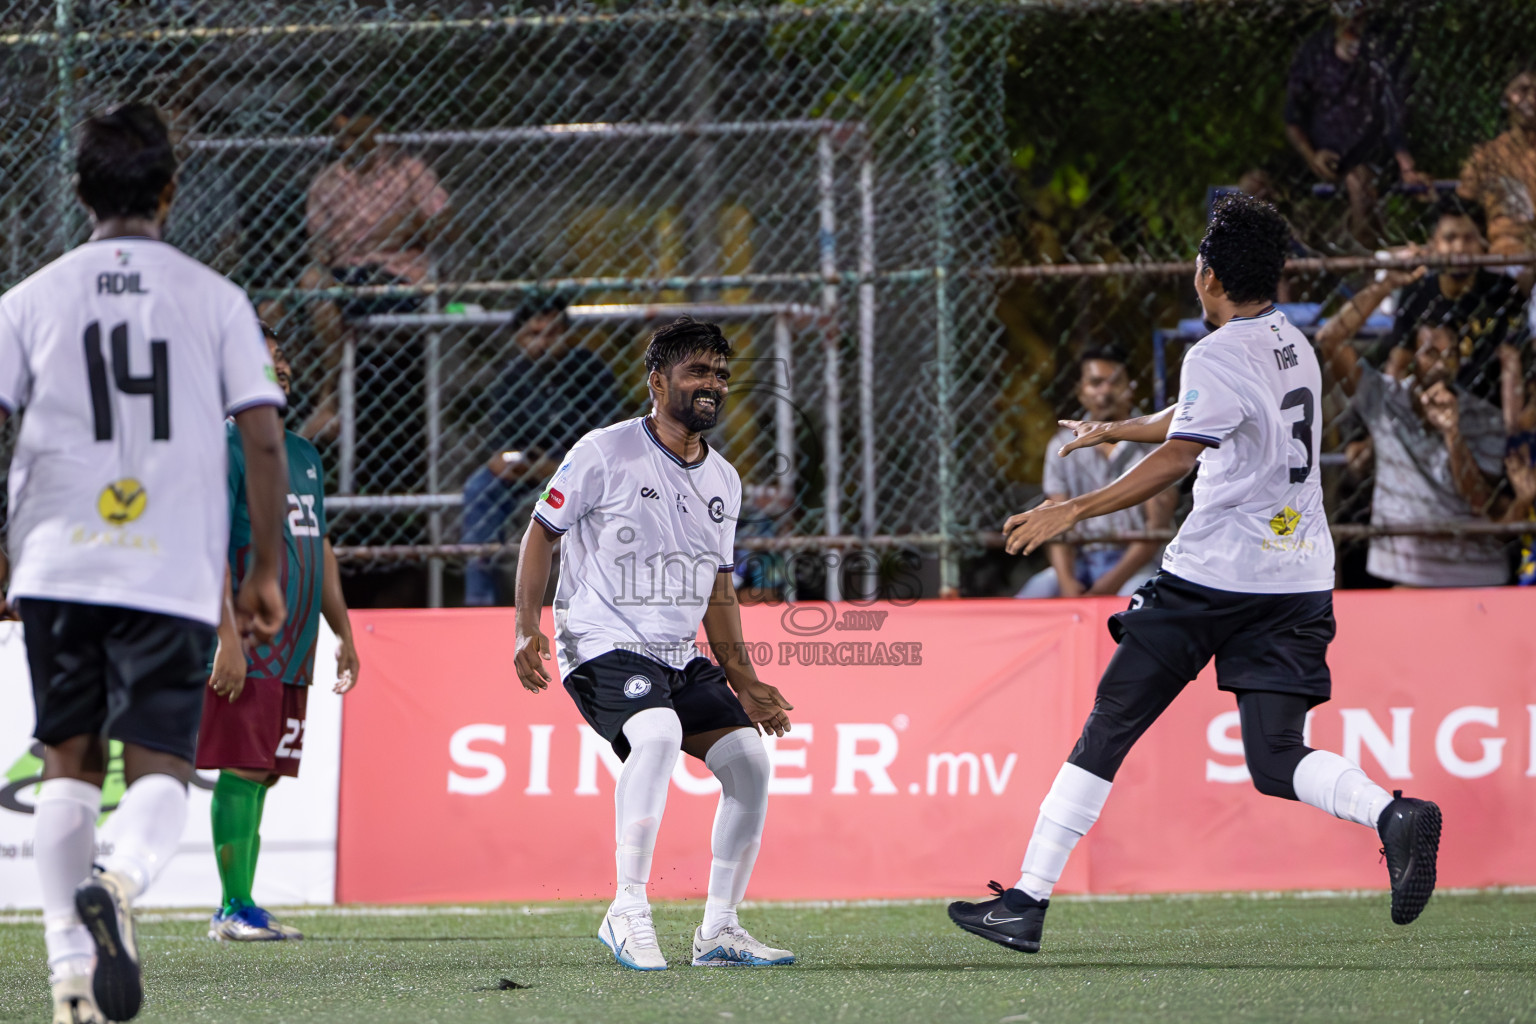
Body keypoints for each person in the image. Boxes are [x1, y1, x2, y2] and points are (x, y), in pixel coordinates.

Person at [948, 195, 1441, 956]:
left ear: (1207, 276)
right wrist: (1118, 427)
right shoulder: (1291, 341)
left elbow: (1183, 454)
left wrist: (1071, 511)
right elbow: (1200, 415)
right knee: (1277, 758)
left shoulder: (1213, 352)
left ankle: (1025, 901)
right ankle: (1392, 815)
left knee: (1111, 721)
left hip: (1213, 578)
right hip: (1298, 581)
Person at [1, 104, 288, 1023]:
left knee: (67, 760)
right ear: (172, 191)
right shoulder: (215, 298)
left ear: (78, 190)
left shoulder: (29, 298)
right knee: (162, 763)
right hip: (166, 565)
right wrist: (265, 571)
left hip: (53, 560)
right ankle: (120, 882)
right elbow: (264, 435)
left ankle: (68, 981)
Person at [513, 317, 796, 971]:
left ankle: (719, 930)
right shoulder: (603, 452)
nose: (713, 385)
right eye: (698, 371)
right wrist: (528, 626)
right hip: (600, 640)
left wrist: (746, 681)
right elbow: (541, 533)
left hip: (677, 653)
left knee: (749, 765)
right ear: (657, 380)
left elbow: (718, 591)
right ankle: (627, 910)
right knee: (660, 735)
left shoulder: (724, 479)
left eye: (722, 374)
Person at [195, 326, 361, 942]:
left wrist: (341, 630)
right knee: (242, 767)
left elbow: (318, 548)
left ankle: (244, 904)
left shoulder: (302, 452)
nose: (282, 368)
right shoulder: (224, 448)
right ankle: (232, 907)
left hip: (296, 644)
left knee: (262, 770)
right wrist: (227, 640)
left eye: (283, 357)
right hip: (249, 636)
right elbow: (206, 548)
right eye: (265, 362)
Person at [1321, 284, 1509, 588]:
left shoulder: (1484, 417)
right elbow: (1330, 339)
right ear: (1411, 358)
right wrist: (1386, 283)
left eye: (1450, 356)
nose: (1440, 365)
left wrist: (1452, 434)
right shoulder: (1384, 398)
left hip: (1474, 569)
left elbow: (1480, 501)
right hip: (1408, 570)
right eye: (1431, 354)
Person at [298, 100, 451, 440]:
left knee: (322, 297)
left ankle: (329, 398)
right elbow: (319, 243)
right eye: (338, 134)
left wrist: (408, 227)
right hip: (343, 274)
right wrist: (327, 250)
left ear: (377, 132)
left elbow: (442, 220)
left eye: (354, 134)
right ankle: (311, 401)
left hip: (397, 274)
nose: (344, 143)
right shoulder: (327, 181)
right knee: (277, 307)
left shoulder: (408, 170)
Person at [461, 296, 621, 605]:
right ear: (519, 339)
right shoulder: (510, 377)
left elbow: (605, 446)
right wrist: (530, 466)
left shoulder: (590, 372)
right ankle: (480, 600)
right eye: (534, 335)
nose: (544, 343)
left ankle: (600, 599)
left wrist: (555, 467)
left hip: (579, 473)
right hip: (527, 472)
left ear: (567, 334)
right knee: (479, 489)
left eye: (552, 334)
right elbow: (499, 454)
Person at [1320, 197, 1528, 401]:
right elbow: (1399, 359)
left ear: (1482, 244)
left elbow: (1516, 356)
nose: (1459, 248)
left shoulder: (1502, 289)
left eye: (1469, 238)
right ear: (1433, 244)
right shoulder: (1418, 291)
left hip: (1485, 407)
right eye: (1450, 238)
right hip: (1429, 402)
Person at [1016, 346, 1173, 598]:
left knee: (1138, 599)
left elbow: (1155, 530)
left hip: (1135, 563)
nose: (1105, 391)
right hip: (1081, 560)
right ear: (1081, 392)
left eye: (1115, 383)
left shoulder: (1153, 443)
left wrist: (1106, 585)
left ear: (1130, 389)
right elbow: (1055, 523)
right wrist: (1067, 582)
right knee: (1033, 596)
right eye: (1095, 383)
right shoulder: (1060, 445)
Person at [1284, 1, 1430, 246]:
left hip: (1367, 160)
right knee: (1255, 185)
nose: (1353, 14)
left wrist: (1406, 167)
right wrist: (1312, 157)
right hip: (1316, 157)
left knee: (1359, 182)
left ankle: (1364, 264)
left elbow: (1393, 115)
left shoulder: (1382, 52)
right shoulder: (1313, 51)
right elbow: (1292, 118)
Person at [1458, 67, 1536, 260]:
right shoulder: (1488, 155)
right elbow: (1461, 207)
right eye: (1523, 90)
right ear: (1506, 96)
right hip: (1507, 261)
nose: (1532, 98)